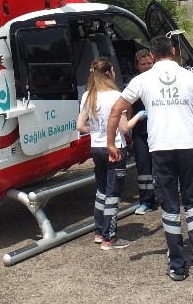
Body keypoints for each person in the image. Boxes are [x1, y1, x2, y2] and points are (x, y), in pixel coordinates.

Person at [107, 35, 193, 283]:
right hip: (188, 146)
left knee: (170, 207)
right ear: (173, 51)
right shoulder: (190, 78)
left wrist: (111, 143)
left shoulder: (142, 80)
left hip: (160, 149)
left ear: (152, 55)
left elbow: (115, 110)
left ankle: (177, 266)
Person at [76, 56, 141, 250]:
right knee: (113, 193)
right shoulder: (115, 96)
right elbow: (124, 128)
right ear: (108, 73)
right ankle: (109, 238)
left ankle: (98, 231)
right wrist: (138, 116)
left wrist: (97, 131)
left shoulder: (88, 95)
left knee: (101, 190)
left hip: (96, 147)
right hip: (115, 147)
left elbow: (80, 126)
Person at [129, 49, 158, 215]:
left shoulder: (160, 80)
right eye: (143, 64)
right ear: (137, 66)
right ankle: (146, 201)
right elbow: (128, 107)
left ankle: (166, 195)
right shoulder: (135, 82)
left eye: (150, 63)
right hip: (141, 131)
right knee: (143, 166)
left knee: (163, 165)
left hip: (160, 130)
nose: (147, 66)